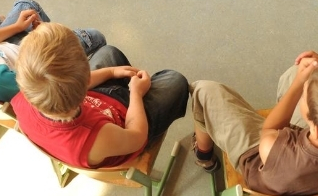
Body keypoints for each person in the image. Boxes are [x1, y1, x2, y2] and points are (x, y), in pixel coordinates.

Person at [189, 52, 318, 196]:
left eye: (305, 95)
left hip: (264, 161)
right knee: (297, 71)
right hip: (311, 175)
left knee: (204, 91)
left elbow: (270, 129)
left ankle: (204, 154)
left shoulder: (273, 147)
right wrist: (316, 75)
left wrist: (299, 82)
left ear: (314, 129)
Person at [12, 23, 189, 169]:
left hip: (98, 102)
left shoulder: (22, 99)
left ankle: (125, 84)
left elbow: (67, 85)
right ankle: (139, 94)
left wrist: (111, 71)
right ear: (83, 86)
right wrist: (136, 93)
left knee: (109, 52)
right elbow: (136, 136)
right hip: (126, 124)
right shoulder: (95, 138)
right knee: (175, 81)